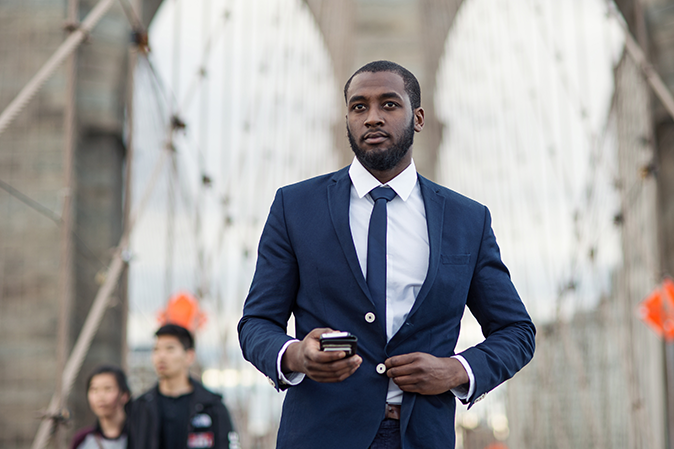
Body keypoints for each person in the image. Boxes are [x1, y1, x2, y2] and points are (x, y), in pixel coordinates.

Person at [238, 60, 536, 449]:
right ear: (346, 119)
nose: (372, 117)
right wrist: (296, 355)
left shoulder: (467, 220)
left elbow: (517, 331)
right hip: (319, 435)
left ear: (418, 117)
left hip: (423, 436)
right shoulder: (294, 207)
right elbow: (256, 323)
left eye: (389, 105)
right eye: (359, 107)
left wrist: (456, 370)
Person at [128, 324, 239, 449]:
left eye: (170, 349)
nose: (161, 356)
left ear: (189, 356)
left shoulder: (212, 406)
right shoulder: (140, 407)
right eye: (156, 350)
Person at [71, 365, 131, 449]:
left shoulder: (140, 436)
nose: (100, 396)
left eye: (108, 389)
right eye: (94, 389)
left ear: (125, 395)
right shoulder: (82, 440)